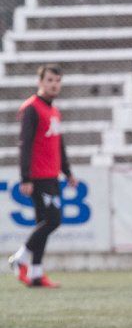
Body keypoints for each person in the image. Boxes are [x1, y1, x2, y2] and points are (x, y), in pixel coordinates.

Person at [8, 64, 77, 289]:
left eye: (57, 81)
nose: (54, 85)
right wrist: (25, 177)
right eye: (50, 80)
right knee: (53, 220)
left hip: (52, 175)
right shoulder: (32, 108)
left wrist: (67, 172)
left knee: (43, 223)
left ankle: (36, 273)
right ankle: (20, 258)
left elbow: (60, 145)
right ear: (40, 82)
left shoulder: (54, 111)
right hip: (38, 176)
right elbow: (25, 144)